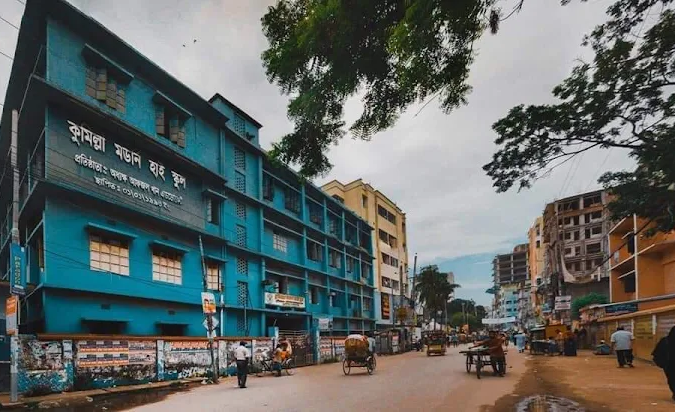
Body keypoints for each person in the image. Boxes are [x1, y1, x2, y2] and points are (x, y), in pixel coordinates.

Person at [652, 326, 675, 402]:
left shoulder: (665, 340)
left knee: (672, 379)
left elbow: (657, 352)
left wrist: (660, 362)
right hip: (669, 364)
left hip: (669, 365)